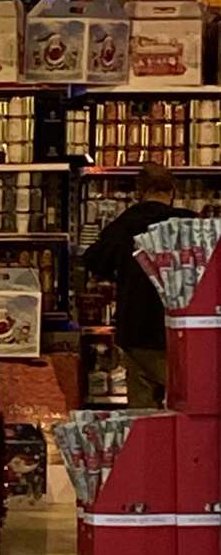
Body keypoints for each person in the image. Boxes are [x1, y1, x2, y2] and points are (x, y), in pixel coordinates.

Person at [83, 163, 193, 408]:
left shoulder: (125, 224)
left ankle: (150, 446)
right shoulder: (189, 224)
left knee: (142, 410)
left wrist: (119, 276)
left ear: (139, 192)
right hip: (184, 331)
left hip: (137, 328)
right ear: (173, 191)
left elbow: (94, 259)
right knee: (187, 404)